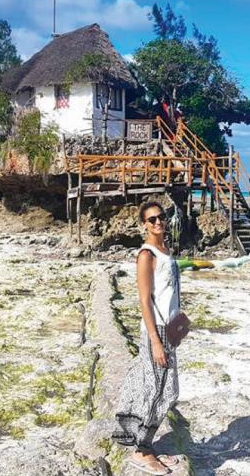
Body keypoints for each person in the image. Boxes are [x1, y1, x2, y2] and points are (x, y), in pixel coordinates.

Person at [112, 200, 181, 475]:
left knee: (166, 390)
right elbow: (144, 300)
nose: (158, 222)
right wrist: (155, 340)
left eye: (161, 217)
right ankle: (140, 451)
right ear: (144, 224)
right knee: (157, 391)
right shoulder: (146, 254)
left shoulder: (165, 250)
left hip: (169, 328)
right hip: (156, 331)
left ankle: (146, 444)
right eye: (152, 219)